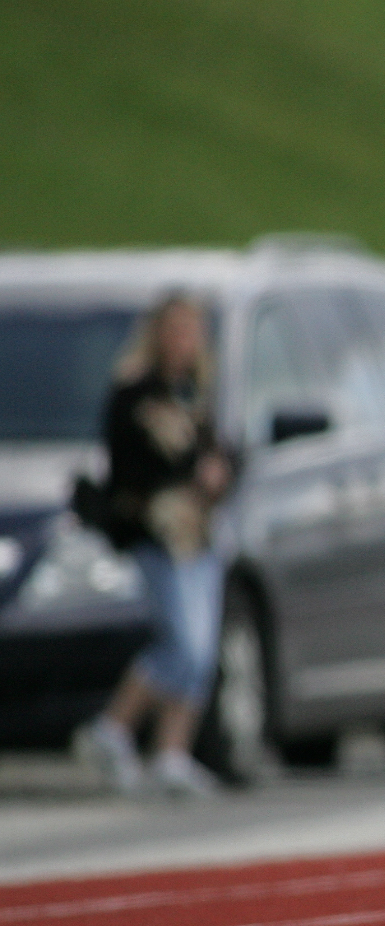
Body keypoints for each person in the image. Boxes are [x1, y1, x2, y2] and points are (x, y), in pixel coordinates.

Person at [73, 293, 233, 796]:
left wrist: (219, 473)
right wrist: (185, 474)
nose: (185, 341)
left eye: (193, 331)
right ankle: (113, 727)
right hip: (158, 533)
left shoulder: (195, 391)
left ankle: (172, 752)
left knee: (202, 652)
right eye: (177, 329)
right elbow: (128, 468)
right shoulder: (135, 393)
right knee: (181, 643)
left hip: (197, 532)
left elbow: (221, 450)